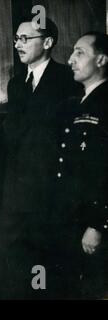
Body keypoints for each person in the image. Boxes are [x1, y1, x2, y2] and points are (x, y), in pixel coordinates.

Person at [0, 15, 82, 298]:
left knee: (50, 270)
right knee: (15, 268)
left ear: (48, 42)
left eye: (25, 38)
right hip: (16, 193)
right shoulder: (16, 84)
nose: (18, 44)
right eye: (16, 38)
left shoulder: (68, 80)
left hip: (51, 194)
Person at [51, 31, 108, 298]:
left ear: (102, 60)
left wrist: (97, 225)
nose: (71, 59)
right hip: (71, 218)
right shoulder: (76, 104)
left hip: (91, 223)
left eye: (80, 52)